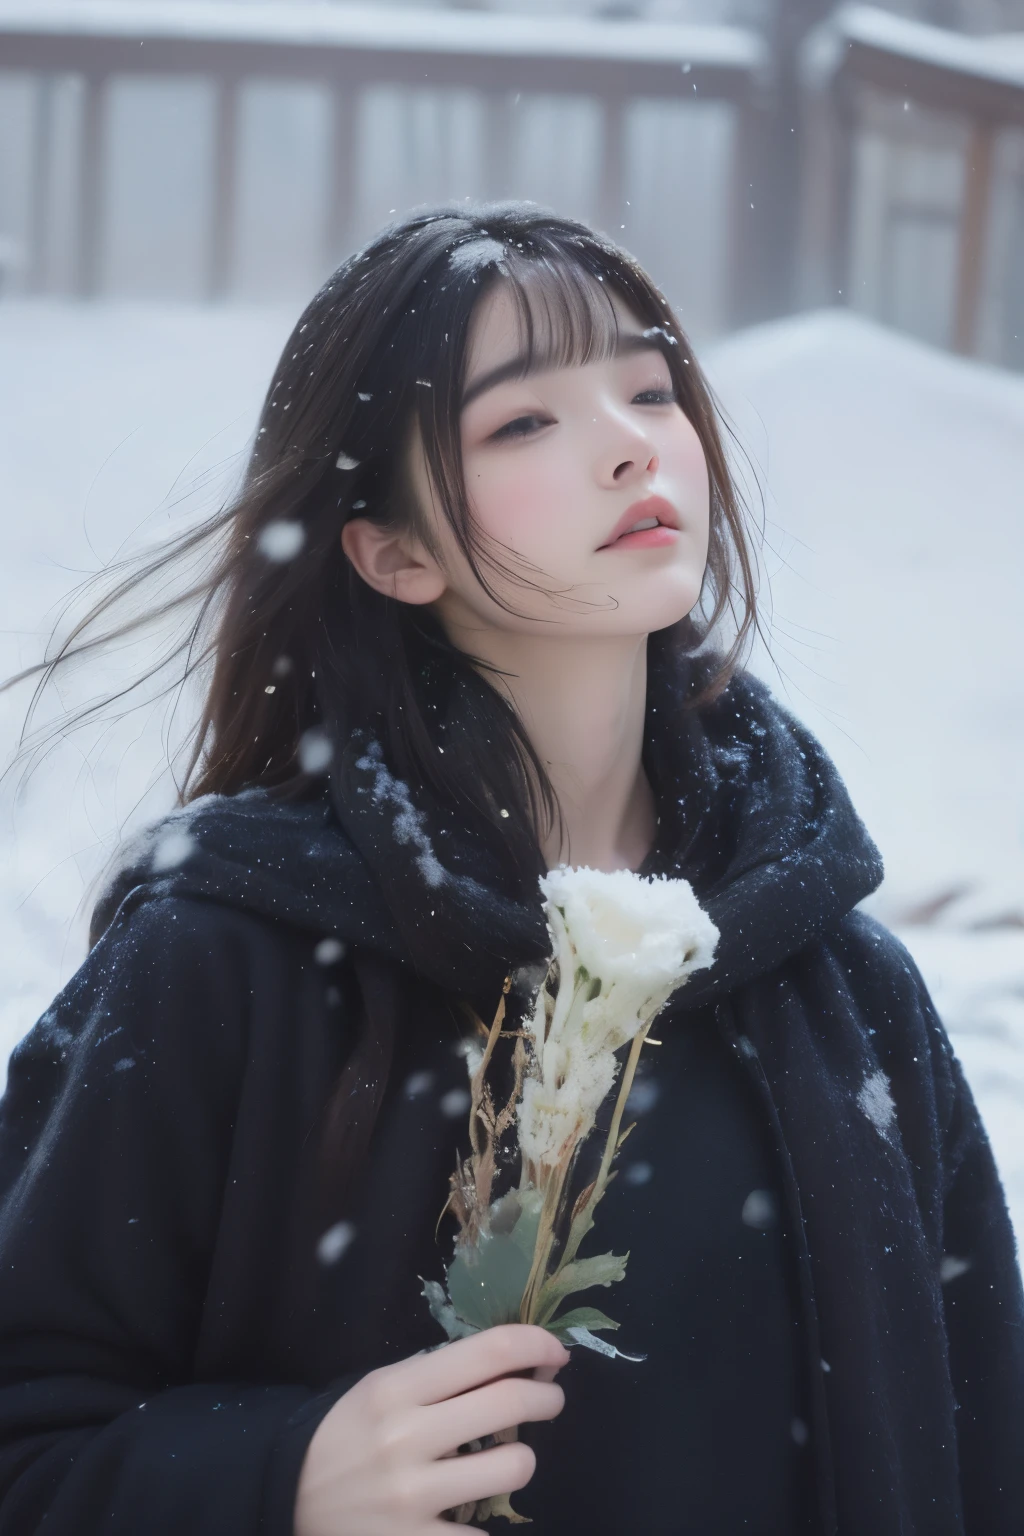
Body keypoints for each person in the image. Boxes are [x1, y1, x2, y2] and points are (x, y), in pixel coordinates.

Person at [0, 201, 1020, 1536]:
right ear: (392, 549)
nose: (627, 445)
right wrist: (279, 1480)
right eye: (523, 420)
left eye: (651, 389)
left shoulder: (844, 991)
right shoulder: (225, 961)